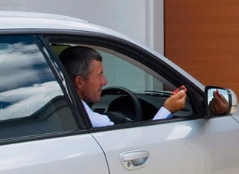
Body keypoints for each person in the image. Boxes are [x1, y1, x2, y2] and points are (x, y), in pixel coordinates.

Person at [59, 46, 187, 128]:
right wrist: (167, 110)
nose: (105, 81)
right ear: (79, 82)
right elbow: (141, 144)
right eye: (99, 75)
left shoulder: (58, 107)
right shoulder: (94, 121)